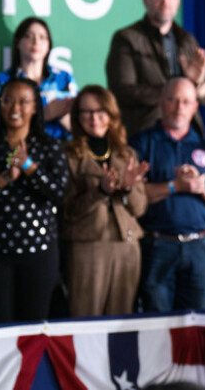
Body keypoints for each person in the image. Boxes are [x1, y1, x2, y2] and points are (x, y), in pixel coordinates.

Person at [0, 77, 68, 323]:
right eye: (8, 101)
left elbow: (60, 195)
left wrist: (29, 167)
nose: (15, 108)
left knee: (34, 327)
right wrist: (5, 178)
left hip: (39, 255)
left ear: (35, 107)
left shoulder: (50, 146)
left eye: (23, 101)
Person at [130, 77, 205, 312]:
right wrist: (174, 186)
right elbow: (132, 197)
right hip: (158, 246)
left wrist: (199, 186)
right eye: (173, 100)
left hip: (199, 247)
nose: (179, 107)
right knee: (158, 325)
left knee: (196, 325)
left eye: (186, 102)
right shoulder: (141, 144)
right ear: (161, 102)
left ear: (195, 107)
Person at [63, 85, 149, 317]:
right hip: (88, 246)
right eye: (87, 112)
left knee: (121, 322)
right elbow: (67, 211)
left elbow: (139, 208)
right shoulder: (68, 155)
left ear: (111, 115)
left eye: (101, 111)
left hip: (127, 245)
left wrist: (129, 189)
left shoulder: (126, 153)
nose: (94, 118)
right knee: (85, 320)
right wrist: (100, 192)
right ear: (77, 117)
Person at [106, 0, 205, 138]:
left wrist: (197, 84)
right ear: (145, 0)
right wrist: (173, 92)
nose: (165, 1)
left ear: (178, 1)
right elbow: (121, 91)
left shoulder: (187, 40)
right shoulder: (127, 38)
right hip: (146, 131)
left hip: (189, 132)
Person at [0, 17, 77, 140]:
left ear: (49, 45)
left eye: (42, 37)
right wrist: (44, 114)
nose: (36, 42)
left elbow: (81, 127)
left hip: (63, 150)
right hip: (18, 149)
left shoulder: (64, 79)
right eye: (28, 36)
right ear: (17, 42)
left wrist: (61, 116)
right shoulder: (2, 81)